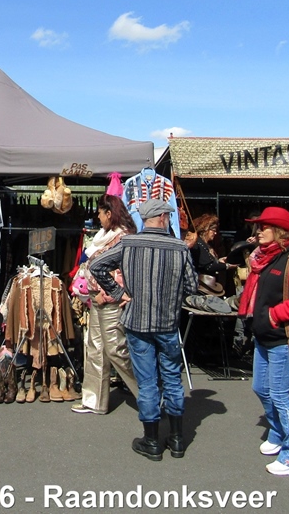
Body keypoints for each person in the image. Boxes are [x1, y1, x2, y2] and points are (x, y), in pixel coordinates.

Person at [89, 199, 198, 461]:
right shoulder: (179, 248)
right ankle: (176, 439)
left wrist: (119, 293)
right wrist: (171, 295)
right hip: (167, 323)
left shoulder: (129, 243)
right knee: (172, 378)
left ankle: (151, 441)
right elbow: (192, 286)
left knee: (147, 381)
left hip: (137, 323)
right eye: (168, 216)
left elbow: (96, 265)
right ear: (162, 217)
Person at [238, 207, 289, 476]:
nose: (258, 231)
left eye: (265, 227)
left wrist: (276, 314)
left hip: (282, 339)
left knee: (279, 396)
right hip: (264, 337)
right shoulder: (263, 258)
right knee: (260, 389)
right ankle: (278, 433)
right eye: (258, 226)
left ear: (281, 231)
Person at [71, 194, 139, 415]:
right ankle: (94, 400)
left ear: (109, 213)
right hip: (97, 299)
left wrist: (107, 294)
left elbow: (121, 273)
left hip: (111, 301)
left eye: (100, 213)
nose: (98, 218)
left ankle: (149, 394)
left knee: (115, 349)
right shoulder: (106, 235)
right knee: (96, 349)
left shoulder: (122, 237)